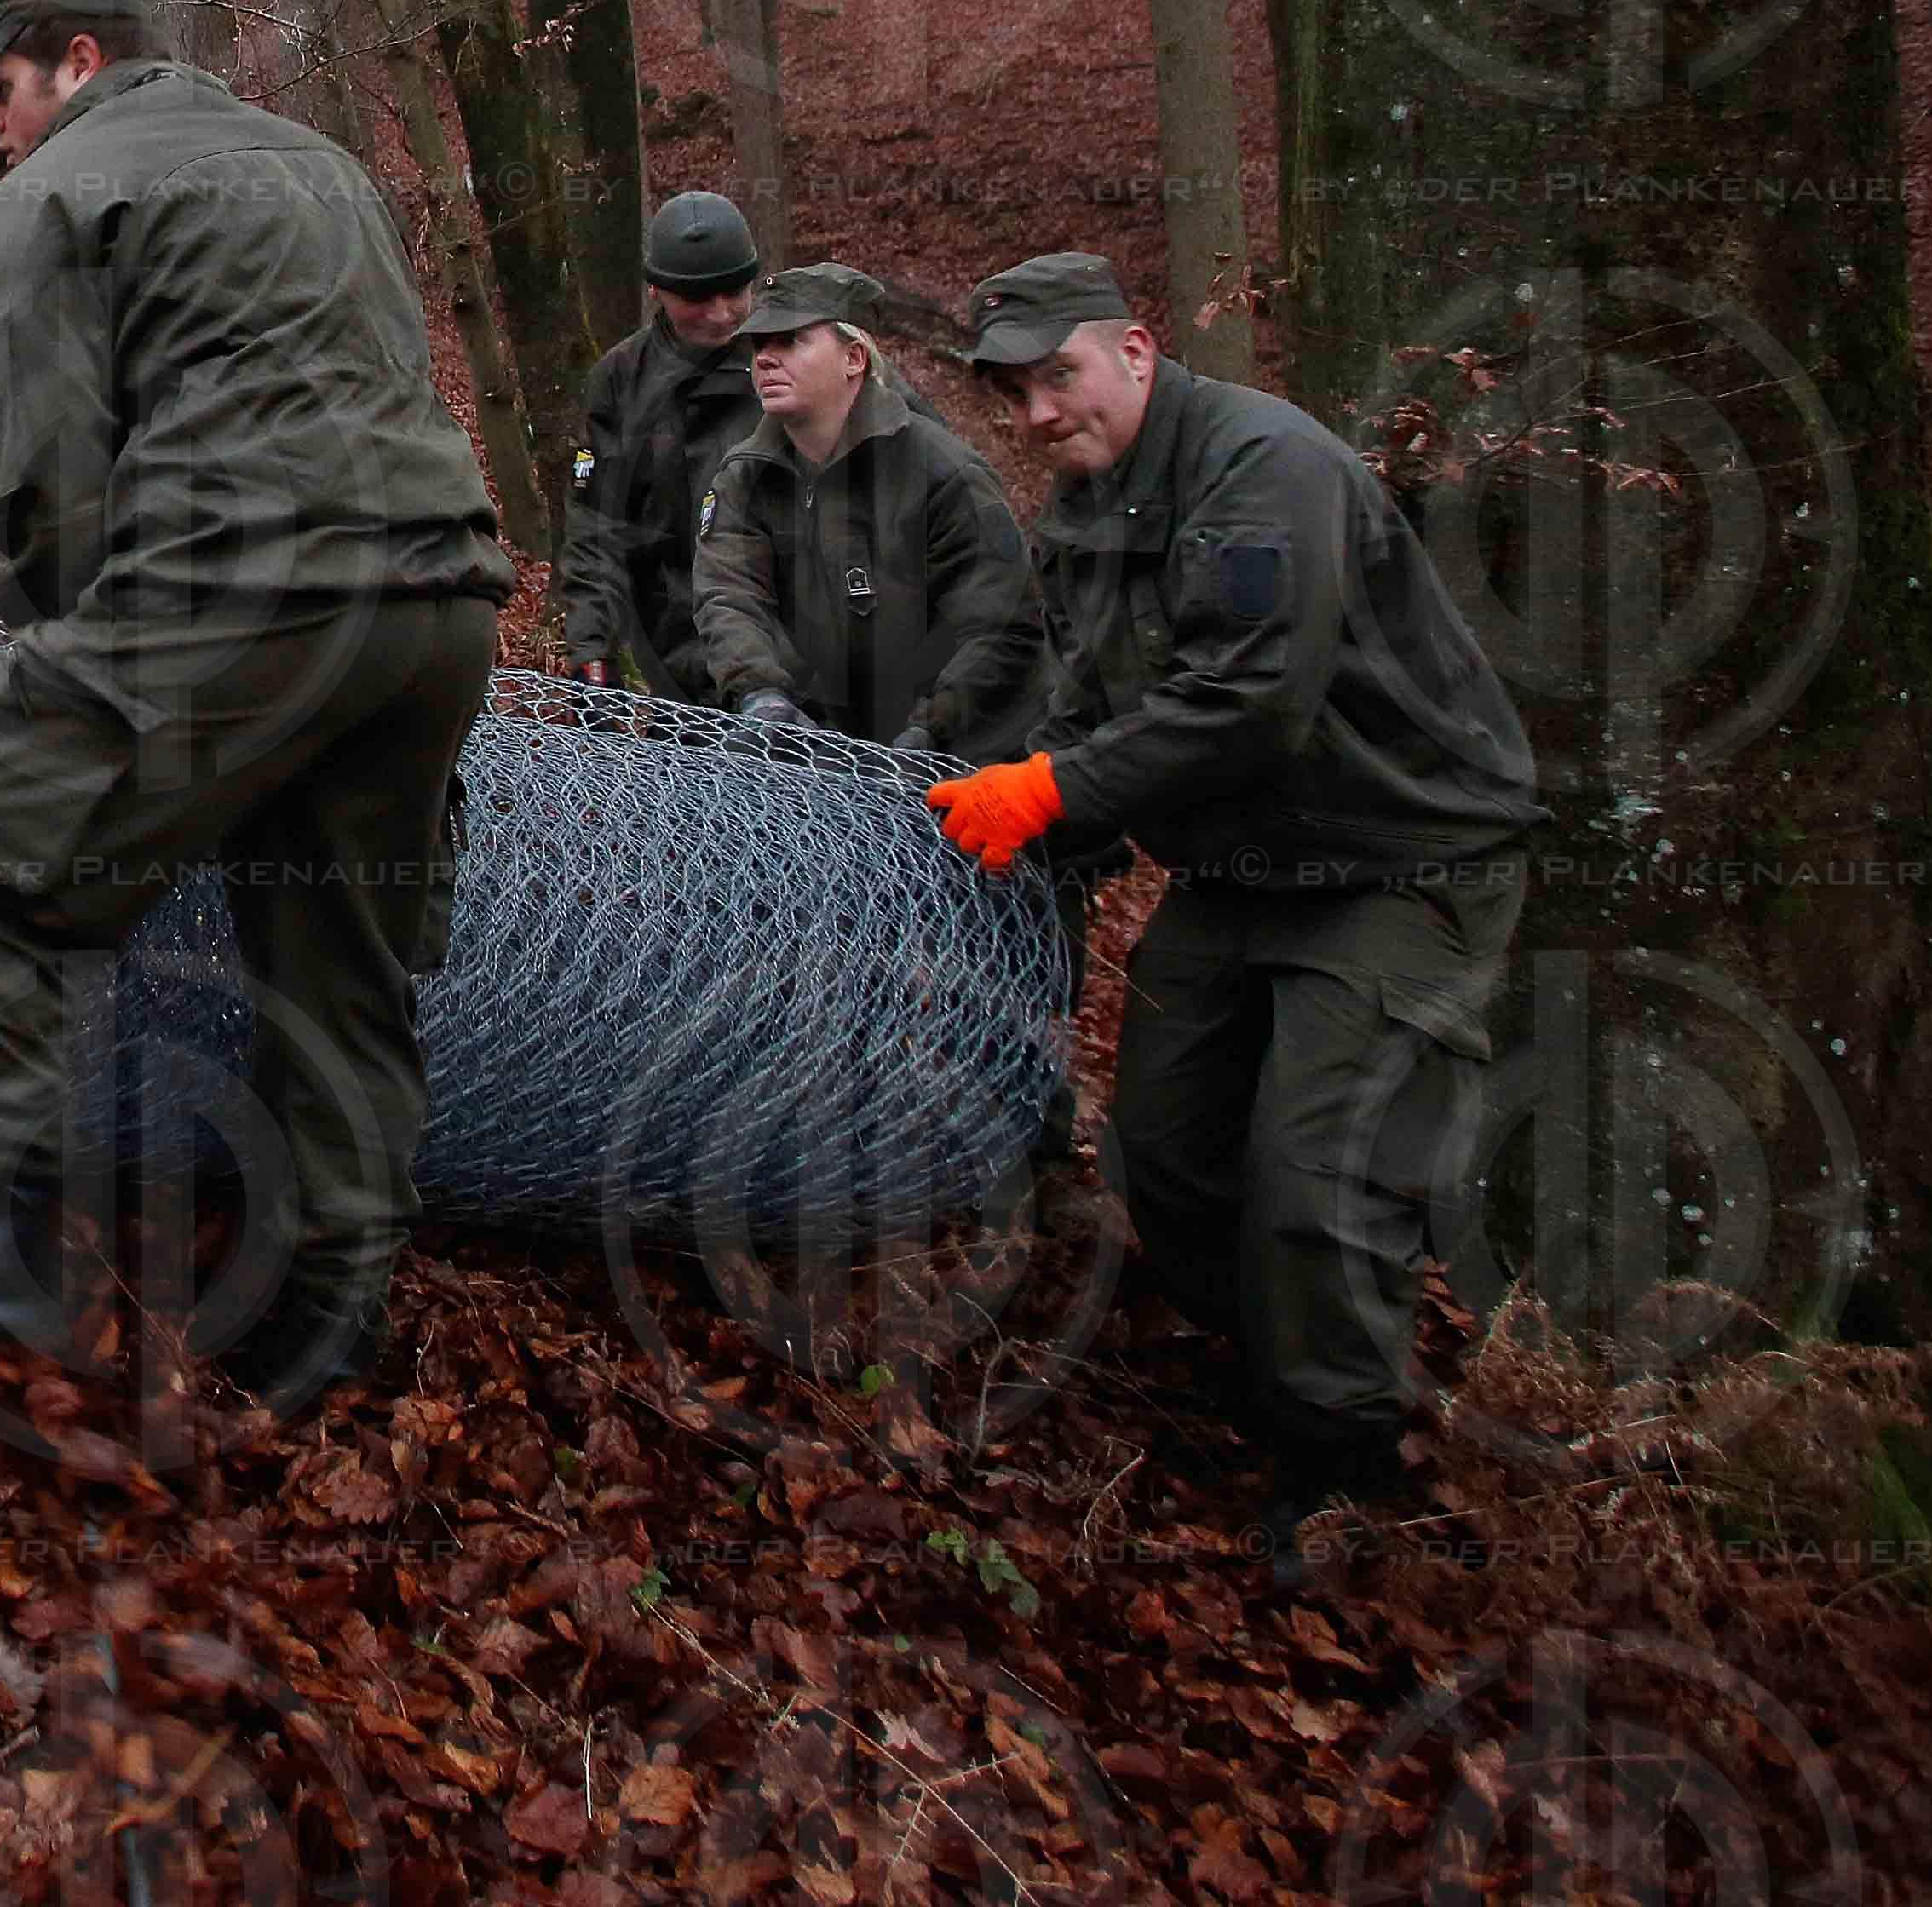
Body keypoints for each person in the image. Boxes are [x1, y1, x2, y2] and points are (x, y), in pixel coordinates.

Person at [0, 0, 512, 1416]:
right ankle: (326, 1315)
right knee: (332, 948)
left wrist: (71, 685)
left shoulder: (52, 196)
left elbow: (49, 486)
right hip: (440, 597)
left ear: (81, 63)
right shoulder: (313, 161)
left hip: (246, 581)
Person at [919, 253, 1542, 1579]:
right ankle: (1274, 1362)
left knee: (1318, 1173)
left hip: (1397, 862)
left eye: (1059, 375)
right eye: (1015, 391)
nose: (1038, 413)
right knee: (1165, 1147)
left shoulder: (1266, 472)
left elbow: (1255, 698)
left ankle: (1345, 1467)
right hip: (1240, 869)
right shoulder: (1083, 509)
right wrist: (1036, 821)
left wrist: (1049, 789)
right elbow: (1086, 705)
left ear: (1137, 350)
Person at [685, 262, 1046, 755]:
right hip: (819, 760)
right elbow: (729, 595)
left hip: (961, 760)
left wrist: (927, 734)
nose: (766, 359)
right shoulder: (743, 476)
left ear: (854, 357)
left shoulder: (942, 471)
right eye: (759, 345)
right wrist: (761, 696)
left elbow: (1000, 626)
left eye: (790, 341)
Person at [556, 192, 770, 697]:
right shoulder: (620, 380)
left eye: (735, 292)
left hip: (799, 659)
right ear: (658, 291)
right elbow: (597, 528)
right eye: (698, 298)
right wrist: (592, 654)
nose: (721, 315)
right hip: (682, 664)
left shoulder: (797, 357)